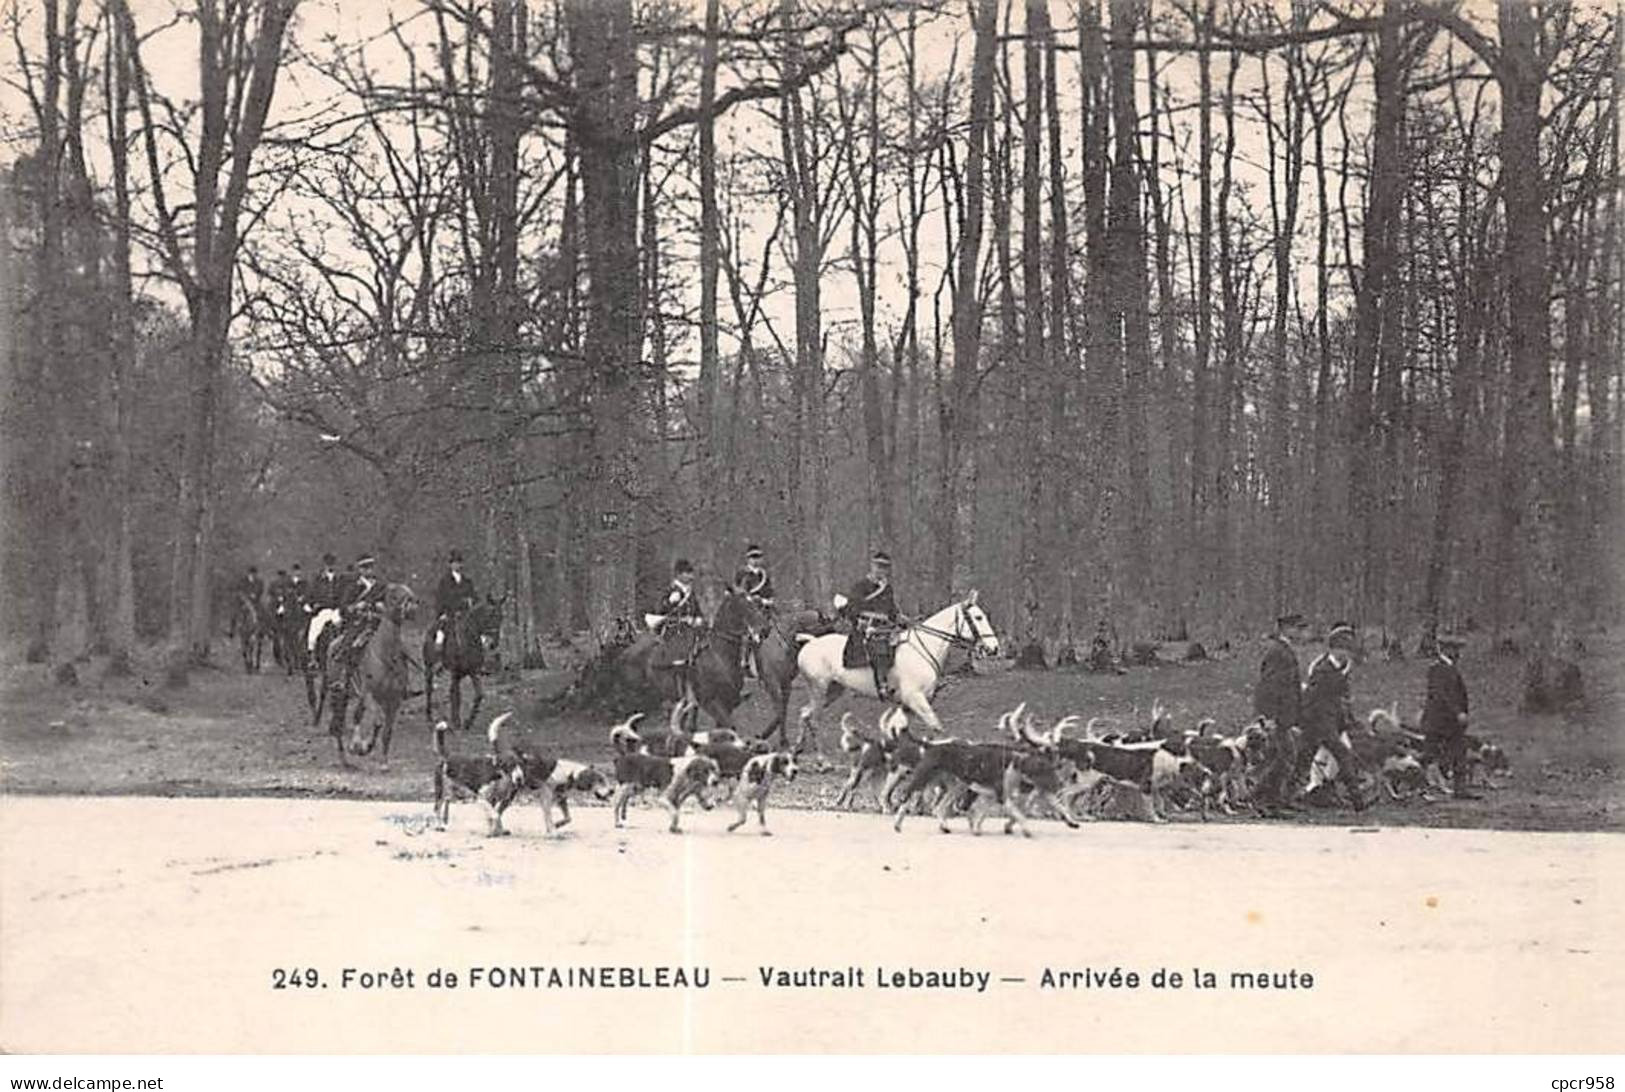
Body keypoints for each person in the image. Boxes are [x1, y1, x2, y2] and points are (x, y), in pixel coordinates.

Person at [1294, 623, 1369, 812]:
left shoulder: (1340, 668)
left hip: (1331, 722)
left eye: (1348, 649)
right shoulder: (1322, 670)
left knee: (1306, 761)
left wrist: (1346, 720)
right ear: (1333, 649)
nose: (1347, 653)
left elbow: (1341, 698)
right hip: (1319, 724)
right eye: (1343, 649)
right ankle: (1356, 802)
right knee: (1340, 755)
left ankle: (1308, 793)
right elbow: (1312, 699)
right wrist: (1308, 723)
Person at [1252, 612, 1306, 816]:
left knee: (1284, 757)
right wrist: (1269, 717)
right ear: (1285, 629)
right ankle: (1264, 801)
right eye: (1298, 628)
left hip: (1284, 716)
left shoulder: (1284, 650)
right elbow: (1269, 686)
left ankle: (1276, 799)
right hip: (1277, 717)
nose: (1302, 633)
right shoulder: (1278, 652)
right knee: (1280, 758)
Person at [834, 550, 901, 701]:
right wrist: (859, 622)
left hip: (885, 627)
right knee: (879, 647)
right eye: (878, 566)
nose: (881, 570)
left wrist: (900, 619)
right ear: (872, 566)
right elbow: (851, 608)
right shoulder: (860, 586)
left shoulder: (887, 588)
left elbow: (891, 610)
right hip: (865, 628)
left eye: (885, 567)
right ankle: (882, 686)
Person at [1422, 632, 1476, 800]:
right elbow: (1442, 695)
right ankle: (1424, 788)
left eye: (1457, 649)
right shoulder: (1437, 669)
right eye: (1454, 648)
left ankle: (1461, 789)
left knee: (1459, 752)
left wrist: (1462, 712)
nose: (1458, 652)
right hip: (1438, 721)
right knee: (1430, 756)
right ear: (1443, 649)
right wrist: (1458, 712)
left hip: (1451, 722)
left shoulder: (1451, 668)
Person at [646, 559, 706, 664]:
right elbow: (660, 609)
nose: (691, 577)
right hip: (674, 629)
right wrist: (669, 601)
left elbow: (697, 610)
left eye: (691, 573)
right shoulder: (670, 590)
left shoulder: (690, 593)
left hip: (690, 629)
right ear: (679, 574)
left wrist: (698, 619)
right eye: (687, 573)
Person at [732, 544, 775, 679]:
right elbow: (738, 592)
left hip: (764, 609)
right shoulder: (741, 574)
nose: (756, 560)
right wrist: (750, 600)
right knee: (750, 636)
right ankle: (744, 664)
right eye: (753, 557)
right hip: (747, 611)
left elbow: (769, 590)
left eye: (758, 557)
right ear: (747, 559)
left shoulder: (764, 575)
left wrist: (768, 600)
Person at [433, 550, 478, 650]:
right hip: (449, 614)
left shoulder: (468, 582)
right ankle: (438, 658)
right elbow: (441, 598)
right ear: (450, 565)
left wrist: (471, 601)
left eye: (459, 562)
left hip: (465, 615)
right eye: (455, 563)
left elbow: (474, 597)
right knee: (441, 634)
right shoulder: (444, 582)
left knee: (478, 632)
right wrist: (442, 613)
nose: (457, 565)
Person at [228, 566, 264, 637]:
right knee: (234, 613)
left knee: (263, 612)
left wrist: (255, 595)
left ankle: (262, 630)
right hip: (243, 601)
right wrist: (245, 596)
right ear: (248, 573)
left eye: (254, 574)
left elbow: (260, 590)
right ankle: (232, 630)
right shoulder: (243, 580)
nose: (252, 575)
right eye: (251, 573)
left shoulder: (259, 582)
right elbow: (239, 589)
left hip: (255, 601)